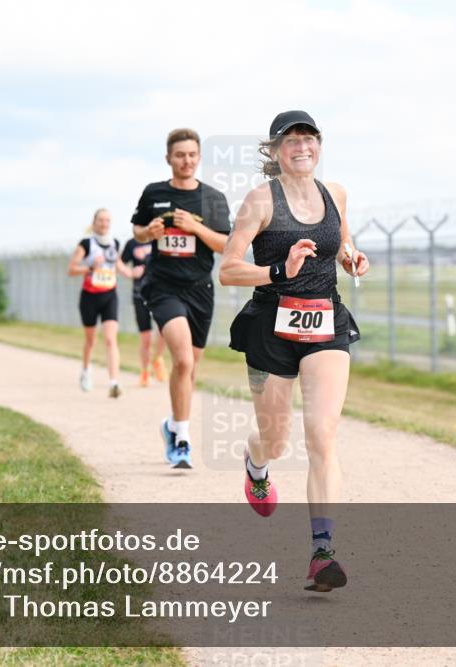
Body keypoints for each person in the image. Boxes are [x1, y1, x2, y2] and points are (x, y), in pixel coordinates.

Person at [219, 111, 369, 593]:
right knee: (276, 437)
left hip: (326, 320)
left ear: (319, 146)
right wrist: (279, 271)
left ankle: (322, 553)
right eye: (291, 140)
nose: (301, 146)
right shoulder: (259, 201)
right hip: (271, 325)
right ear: (275, 150)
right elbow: (228, 269)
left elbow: (341, 243)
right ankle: (256, 463)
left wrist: (351, 257)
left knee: (322, 434)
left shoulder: (336, 194)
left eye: (309, 138)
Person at [132, 128, 231, 469]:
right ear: (168, 159)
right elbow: (138, 230)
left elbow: (225, 245)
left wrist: (196, 228)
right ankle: (182, 441)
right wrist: (149, 233)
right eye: (179, 155)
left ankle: (171, 424)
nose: (186, 160)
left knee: (190, 369)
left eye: (191, 154)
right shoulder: (154, 193)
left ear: (199, 156)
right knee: (184, 361)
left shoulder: (213, 199)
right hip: (163, 287)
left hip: (200, 289)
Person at [68, 208, 130, 398]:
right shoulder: (86, 244)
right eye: (101, 220)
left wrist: (132, 273)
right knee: (91, 340)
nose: (104, 224)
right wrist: (89, 267)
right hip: (89, 297)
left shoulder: (115, 243)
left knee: (111, 339)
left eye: (107, 220)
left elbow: (118, 265)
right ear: (94, 222)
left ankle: (114, 382)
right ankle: (86, 370)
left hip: (109, 295)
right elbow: (71, 269)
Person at [121, 236, 168, 387]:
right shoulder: (132, 243)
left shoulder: (161, 239)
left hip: (160, 293)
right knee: (146, 338)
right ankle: (145, 373)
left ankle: (157, 358)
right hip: (139, 294)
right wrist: (129, 272)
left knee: (165, 331)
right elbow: (119, 263)